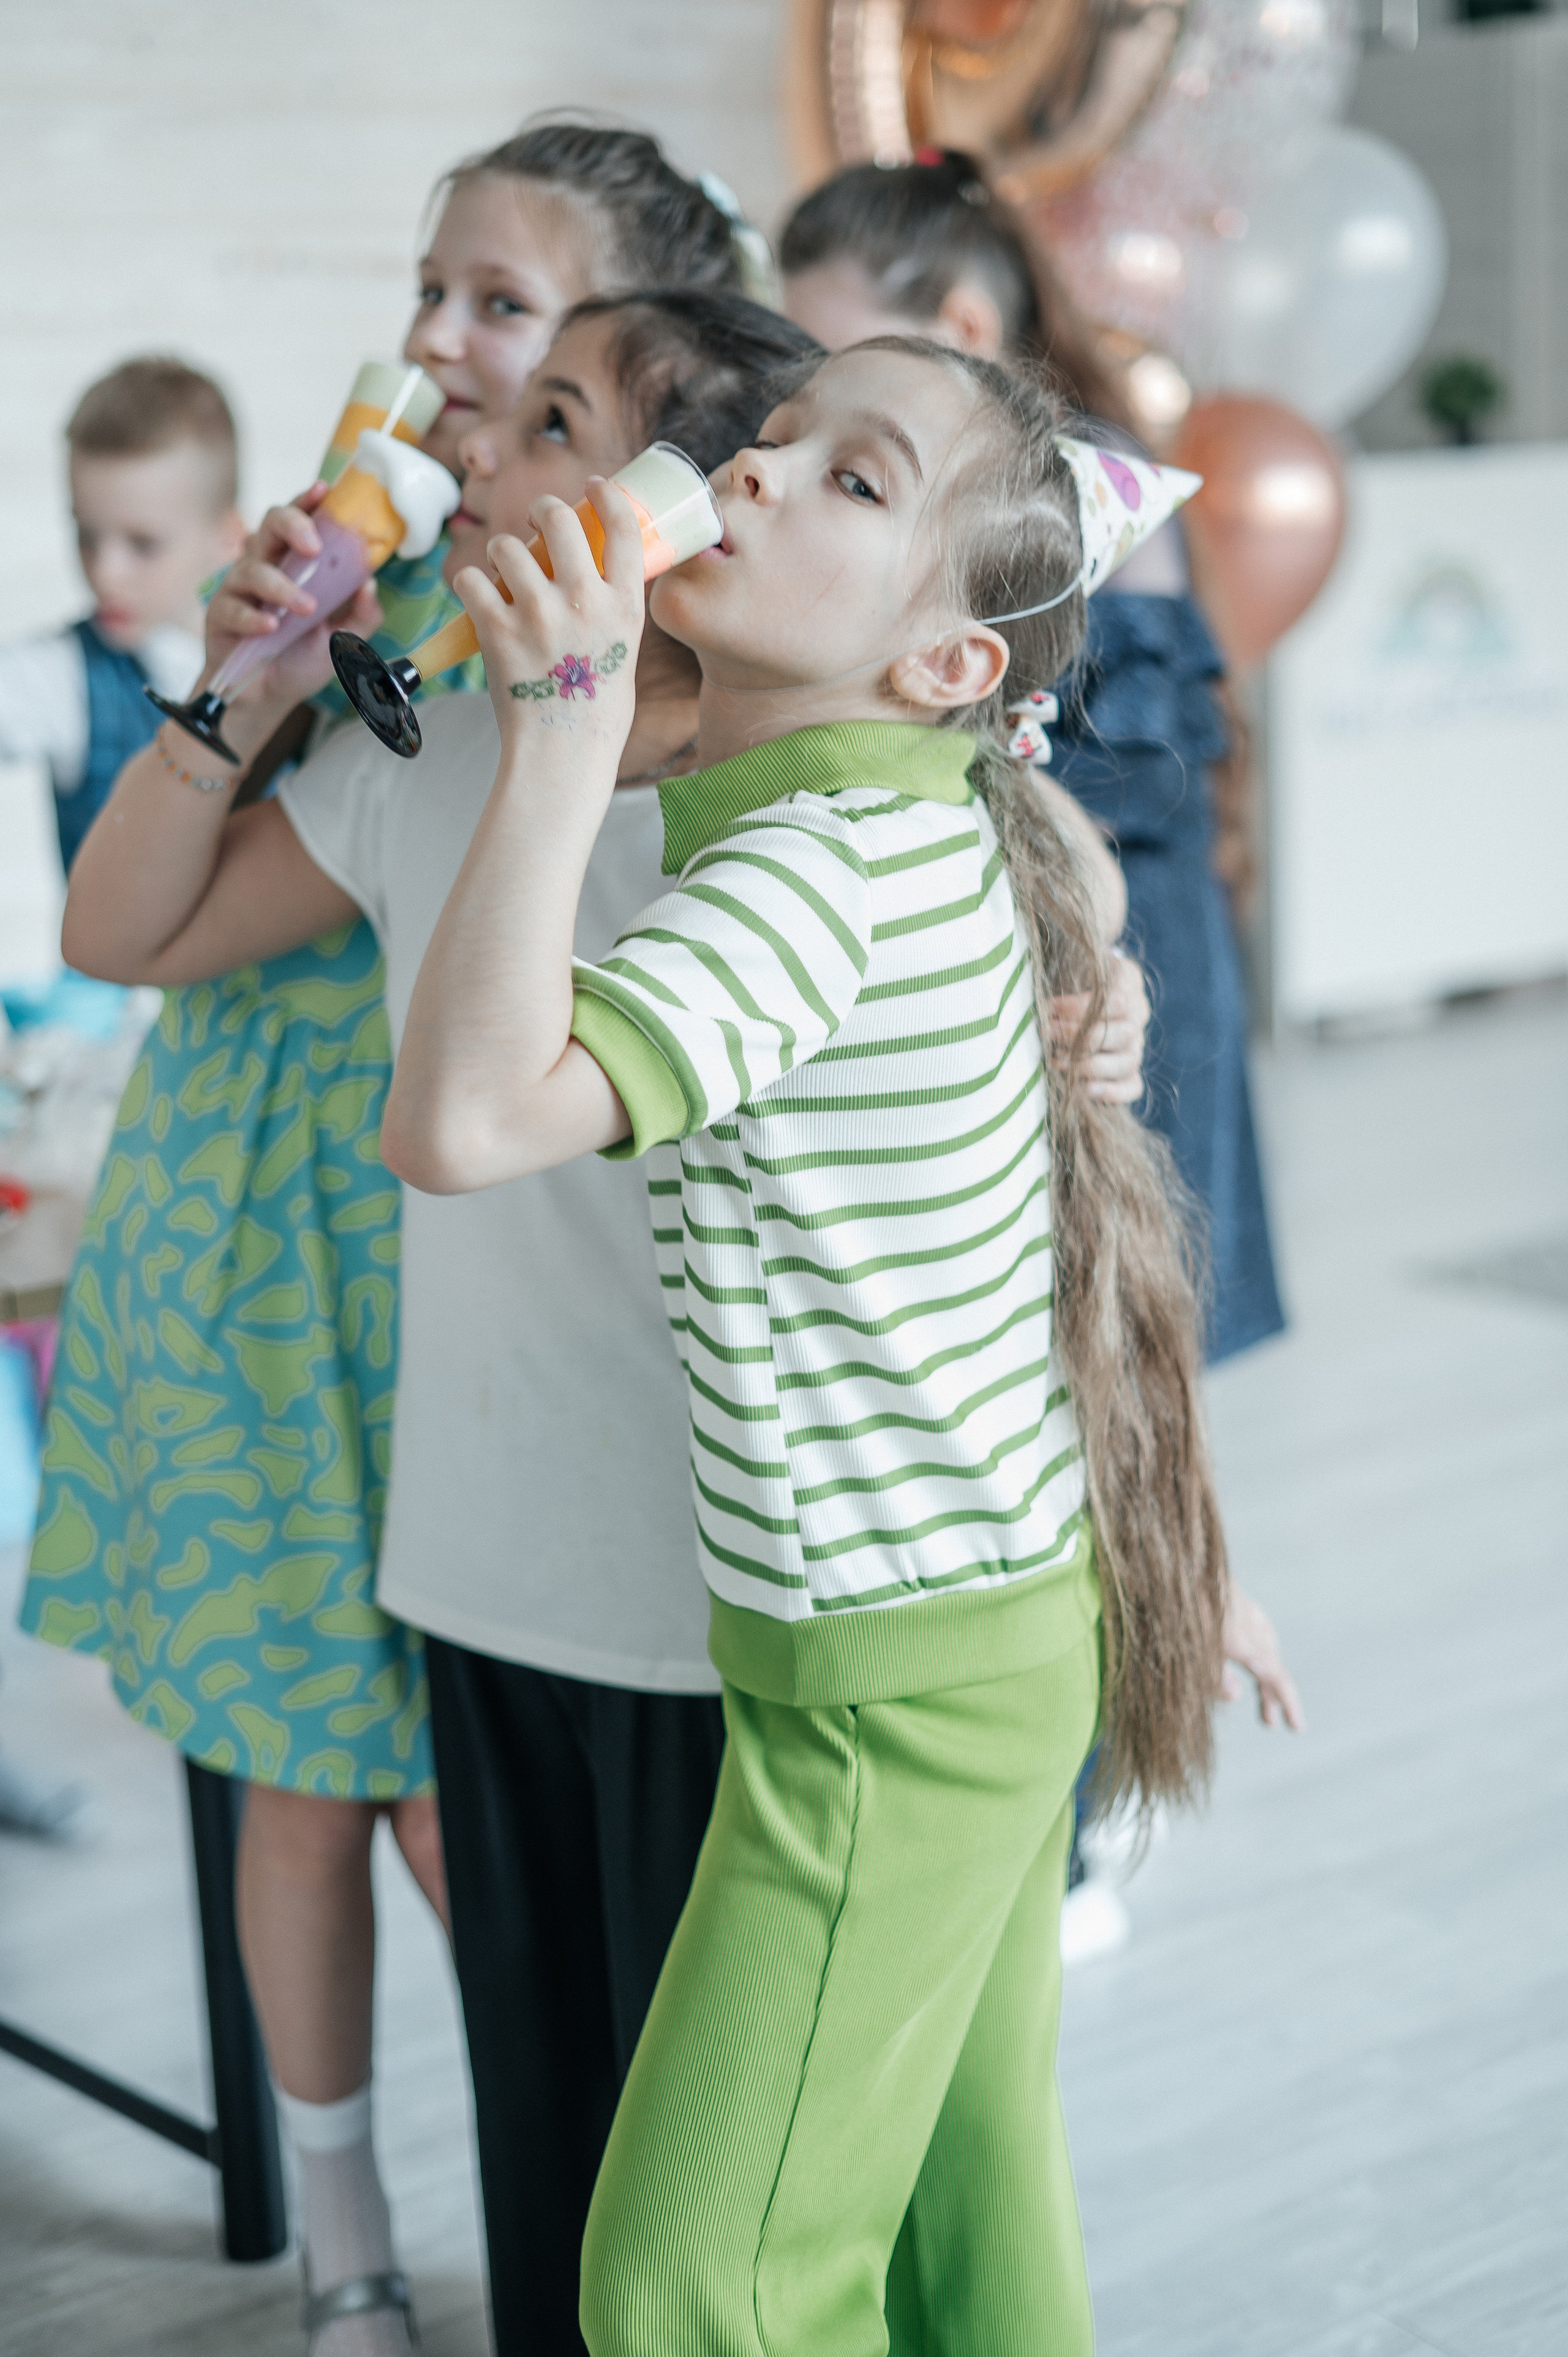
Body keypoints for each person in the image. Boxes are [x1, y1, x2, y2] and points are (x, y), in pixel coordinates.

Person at [374, 338, 1232, 2357]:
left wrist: (565, 728)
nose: (748, 477)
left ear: (952, 666)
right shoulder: (905, 814)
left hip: (884, 1689)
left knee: (693, 2277)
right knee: (962, 2204)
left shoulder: (807, 878)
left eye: (851, 482)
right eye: (766, 440)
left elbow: (462, 1122)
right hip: (988, 1641)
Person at [52, 289, 876, 2357]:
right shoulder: (431, 752)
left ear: (680, 503)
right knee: (553, 2141)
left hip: (724, 1593)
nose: (477, 438)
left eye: (546, 412)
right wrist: (249, 681)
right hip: (481, 1570)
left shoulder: (799, 803)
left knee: (708, 2196)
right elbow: (129, 925)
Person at [780, 151, 1302, 1952]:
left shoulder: (1069, 500)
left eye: (838, 347)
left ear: (964, 324)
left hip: (1110, 991)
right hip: (1046, 974)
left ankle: (1091, 1804)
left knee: (1102, 1379)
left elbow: (1129, 805)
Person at [0, 357, 244, 872]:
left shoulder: (282, 668)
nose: (105, 573)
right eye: (87, 535)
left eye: (143, 544)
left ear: (227, 538)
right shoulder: (61, 675)